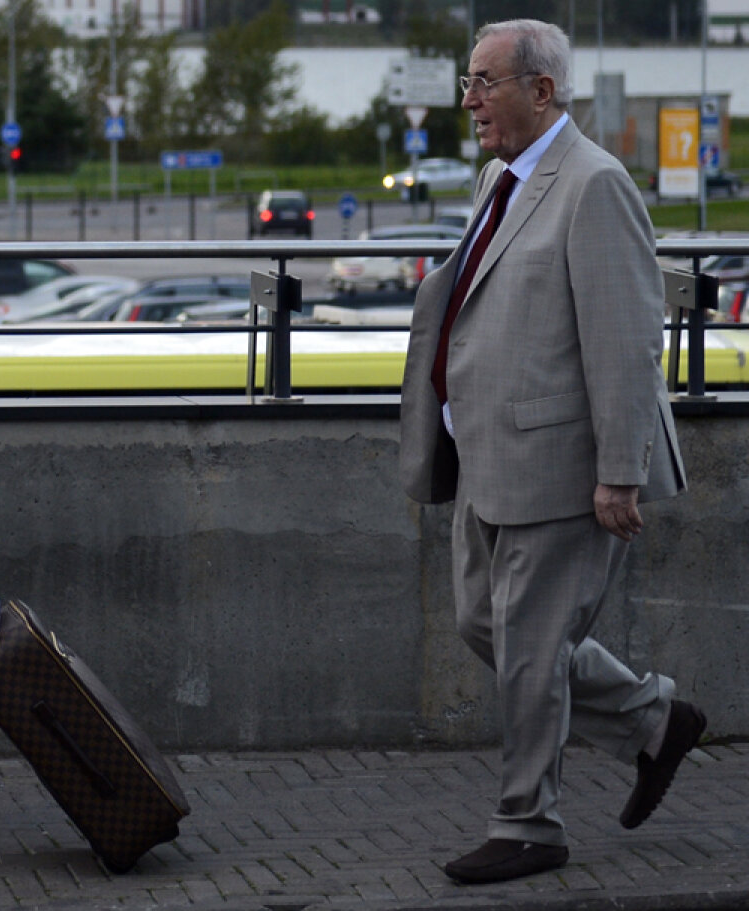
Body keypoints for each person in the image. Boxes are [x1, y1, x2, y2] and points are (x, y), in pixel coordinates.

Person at [399, 19, 705, 885]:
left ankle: (529, 823)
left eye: (485, 82)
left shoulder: (595, 185)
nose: (468, 101)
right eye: (469, 81)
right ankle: (652, 717)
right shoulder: (502, 176)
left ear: (542, 90)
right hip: (485, 461)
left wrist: (619, 469)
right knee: (482, 624)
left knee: (533, 651)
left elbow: (623, 342)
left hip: (560, 467)